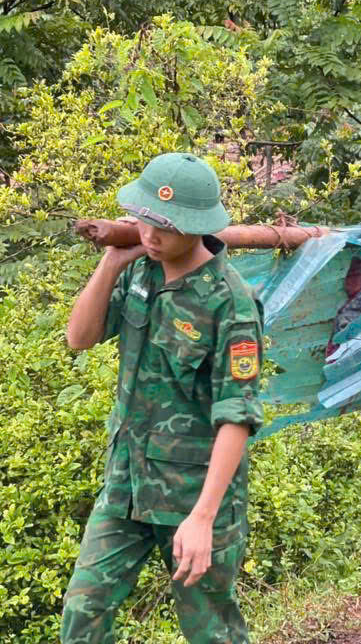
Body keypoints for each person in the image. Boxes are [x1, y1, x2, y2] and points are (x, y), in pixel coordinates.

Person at [61, 153, 264, 643]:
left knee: (210, 629)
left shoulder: (231, 303)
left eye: (166, 228)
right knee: (82, 611)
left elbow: (237, 417)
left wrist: (203, 518)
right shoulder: (139, 272)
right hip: (126, 485)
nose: (150, 236)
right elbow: (80, 337)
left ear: (197, 226)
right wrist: (112, 261)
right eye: (146, 221)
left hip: (192, 497)